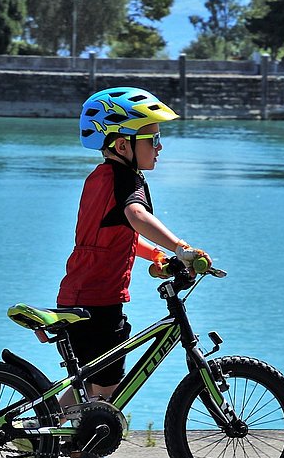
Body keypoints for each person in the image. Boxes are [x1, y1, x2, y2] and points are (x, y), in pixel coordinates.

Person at [57, 86, 211, 410]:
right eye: (152, 139)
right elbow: (136, 216)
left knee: (91, 380)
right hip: (98, 302)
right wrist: (182, 248)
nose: (160, 147)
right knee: (106, 387)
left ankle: (48, 437)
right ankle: (82, 450)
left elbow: (118, 235)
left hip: (80, 293)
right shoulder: (126, 180)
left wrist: (157, 256)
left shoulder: (99, 178)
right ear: (124, 144)